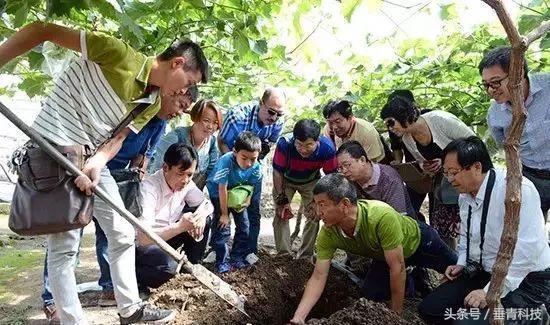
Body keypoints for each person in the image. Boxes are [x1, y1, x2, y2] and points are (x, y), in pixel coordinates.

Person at [0, 21, 209, 324]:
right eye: (188, 82)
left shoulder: (151, 102)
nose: (186, 91)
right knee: (65, 247)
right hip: (56, 150)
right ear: (177, 63)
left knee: (123, 232)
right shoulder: (118, 54)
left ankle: (131, 310)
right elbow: (41, 30)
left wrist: (96, 164)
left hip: (90, 159)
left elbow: (118, 137)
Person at [40, 88, 198, 321]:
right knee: (68, 238)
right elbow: (113, 140)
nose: (180, 113)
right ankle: (53, 303)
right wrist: (92, 166)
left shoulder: (159, 124)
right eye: (181, 105)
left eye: (185, 109)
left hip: (112, 176)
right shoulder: (136, 105)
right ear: (170, 92)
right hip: (82, 164)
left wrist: (137, 174)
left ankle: (118, 297)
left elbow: (143, 156)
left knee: (119, 233)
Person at [289, 174, 457, 324]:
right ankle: (415, 278)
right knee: (370, 295)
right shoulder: (328, 233)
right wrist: (299, 317)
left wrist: (395, 315)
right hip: (385, 256)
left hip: (420, 243)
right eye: (317, 205)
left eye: (322, 205)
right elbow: (318, 276)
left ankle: (418, 273)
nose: (318, 212)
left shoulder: (380, 216)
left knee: (462, 271)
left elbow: (397, 268)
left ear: (344, 204)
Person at [419, 136, 550, 324]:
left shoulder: (516, 192)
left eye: (454, 172)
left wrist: (490, 291)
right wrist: (462, 263)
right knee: (430, 310)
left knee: (466, 323)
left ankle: (536, 316)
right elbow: (467, 236)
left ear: (477, 167)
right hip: (485, 271)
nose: (449, 179)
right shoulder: (465, 195)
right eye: (446, 173)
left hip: (527, 278)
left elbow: (526, 253)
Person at [380, 95, 475, 250]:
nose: (390, 128)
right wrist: (426, 167)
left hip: (470, 180)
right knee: (442, 227)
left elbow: (474, 144)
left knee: (473, 225)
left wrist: (447, 161)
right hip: (446, 187)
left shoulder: (440, 120)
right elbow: (422, 162)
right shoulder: (407, 140)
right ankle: (452, 262)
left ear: (403, 116)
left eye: (391, 122)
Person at [480, 46, 550, 221]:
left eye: (495, 82)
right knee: (531, 229)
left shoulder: (548, 88)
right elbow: (503, 145)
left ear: (518, 73)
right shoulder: (495, 115)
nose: (490, 90)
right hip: (530, 176)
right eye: (486, 84)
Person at [136, 143, 213, 289]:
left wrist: (201, 215)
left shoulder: (187, 184)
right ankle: (136, 278)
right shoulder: (149, 188)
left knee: (205, 220)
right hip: (145, 246)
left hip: (167, 238)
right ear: (166, 168)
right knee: (169, 268)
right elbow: (143, 238)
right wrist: (180, 227)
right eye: (180, 173)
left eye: (190, 175)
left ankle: (192, 270)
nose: (185, 180)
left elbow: (207, 205)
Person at [272, 119, 338, 258]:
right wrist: (281, 197)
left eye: (308, 145)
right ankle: (284, 255)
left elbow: (330, 177)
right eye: (299, 144)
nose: (303, 149)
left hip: (311, 182)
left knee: (315, 215)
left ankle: (305, 255)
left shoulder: (327, 149)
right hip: (286, 180)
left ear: (317, 141)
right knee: (281, 214)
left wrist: (318, 201)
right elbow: (277, 171)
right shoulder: (285, 144)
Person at [207, 131, 263, 273]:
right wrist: (225, 214)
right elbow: (222, 188)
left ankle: (237, 256)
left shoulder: (256, 167)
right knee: (222, 226)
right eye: (244, 158)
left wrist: (247, 201)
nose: (249, 163)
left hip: (238, 194)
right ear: (234, 152)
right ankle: (222, 260)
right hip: (219, 193)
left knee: (244, 226)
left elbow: (252, 186)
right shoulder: (226, 161)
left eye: (253, 159)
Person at [149, 99, 222, 189]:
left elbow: (210, 174)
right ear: (195, 117)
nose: (210, 126)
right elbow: (156, 169)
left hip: (189, 196)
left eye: (215, 123)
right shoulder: (175, 137)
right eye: (206, 120)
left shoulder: (212, 143)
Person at [336, 140, 416, 217]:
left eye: (346, 165)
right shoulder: (351, 180)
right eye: (340, 168)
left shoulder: (389, 179)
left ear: (362, 160)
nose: (344, 171)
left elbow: (400, 217)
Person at [218, 87, 286, 159]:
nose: (274, 118)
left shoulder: (279, 122)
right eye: (271, 112)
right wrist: (235, 162)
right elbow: (222, 141)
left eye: (279, 114)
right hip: (230, 156)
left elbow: (272, 141)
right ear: (261, 103)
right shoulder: (237, 117)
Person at [322, 99, 386, 163]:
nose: (334, 127)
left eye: (338, 122)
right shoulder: (329, 130)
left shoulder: (366, 132)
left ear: (350, 117)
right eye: (330, 123)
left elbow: (371, 163)